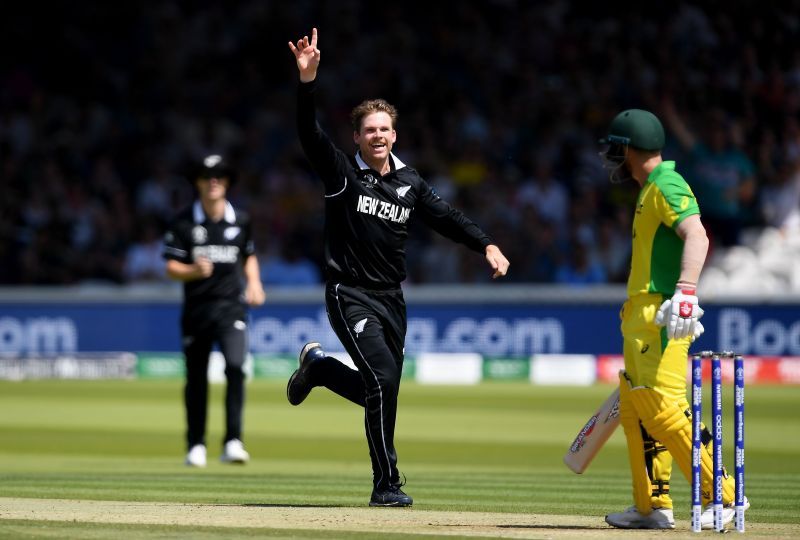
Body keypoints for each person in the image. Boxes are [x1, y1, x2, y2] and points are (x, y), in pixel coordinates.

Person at [286, 28, 510, 507]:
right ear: (358, 138)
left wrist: (485, 244)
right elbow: (310, 135)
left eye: (385, 129)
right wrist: (307, 82)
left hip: (392, 298)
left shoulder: (410, 182)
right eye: (370, 130)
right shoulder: (343, 174)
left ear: (395, 134)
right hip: (349, 294)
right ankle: (386, 483)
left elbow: (446, 216)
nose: (378, 136)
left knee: (380, 386)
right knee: (383, 380)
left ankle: (321, 370)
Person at [598, 109, 748, 529]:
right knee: (637, 410)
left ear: (627, 148)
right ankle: (652, 506)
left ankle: (725, 495)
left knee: (660, 408)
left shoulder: (667, 183)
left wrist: (684, 291)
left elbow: (697, 233)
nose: (614, 156)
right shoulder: (650, 188)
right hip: (643, 312)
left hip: (663, 315)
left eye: (617, 147)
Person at [163, 154, 266, 467]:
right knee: (196, 379)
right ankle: (196, 444)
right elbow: (170, 266)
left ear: (228, 182)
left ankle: (233, 441)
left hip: (231, 308)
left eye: (220, 176)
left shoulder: (242, 220)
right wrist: (192, 270)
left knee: (236, 367)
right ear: (198, 182)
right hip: (196, 310)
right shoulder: (183, 221)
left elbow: (248, 254)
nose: (213, 181)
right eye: (208, 176)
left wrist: (255, 283)